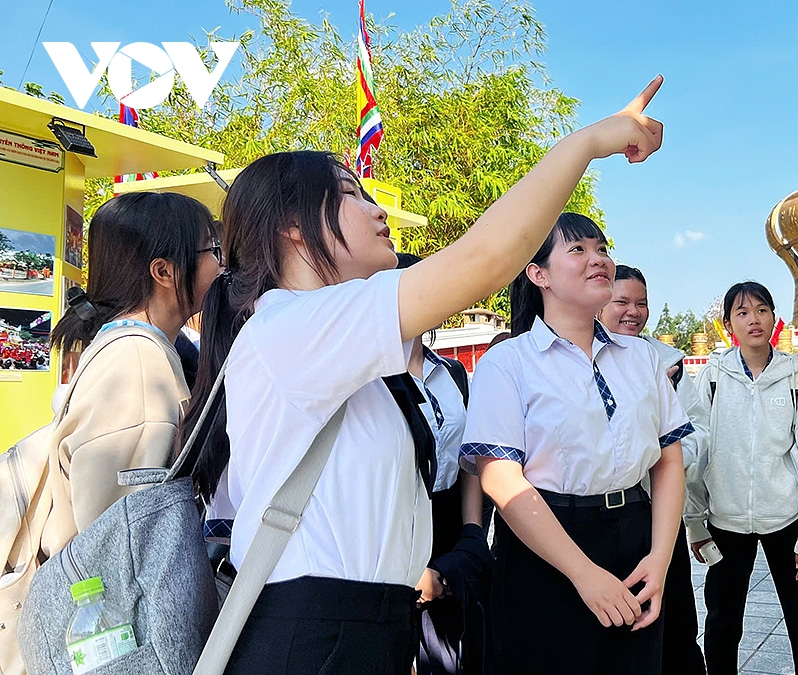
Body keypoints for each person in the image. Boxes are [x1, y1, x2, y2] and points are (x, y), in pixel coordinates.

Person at [183, 77, 665, 673]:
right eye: (352, 194)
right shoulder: (291, 326)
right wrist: (586, 143)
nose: (377, 209)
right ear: (295, 228)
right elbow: (484, 260)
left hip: (363, 626)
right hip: (318, 635)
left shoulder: (329, 345)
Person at [462, 213, 690, 675]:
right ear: (538, 274)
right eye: (578, 250)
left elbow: (668, 461)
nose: (598, 260)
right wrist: (584, 575)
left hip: (634, 539)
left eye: (601, 249)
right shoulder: (508, 363)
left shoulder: (642, 355)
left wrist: (660, 559)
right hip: (543, 546)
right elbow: (500, 479)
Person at [45, 191, 222, 549]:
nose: (222, 265)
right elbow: (116, 542)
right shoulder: (138, 363)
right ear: (164, 271)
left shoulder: (136, 347)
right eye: (212, 250)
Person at [686, 281, 798, 675]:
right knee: (722, 625)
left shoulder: (795, 376)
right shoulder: (714, 376)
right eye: (742, 312)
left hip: (785, 520)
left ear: (774, 316)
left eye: (761, 310)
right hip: (726, 521)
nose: (754, 319)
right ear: (728, 324)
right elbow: (697, 451)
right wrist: (695, 522)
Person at [598, 264, 708, 674]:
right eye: (621, 301)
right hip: (604, 518)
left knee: (675, 626)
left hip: (659, 514)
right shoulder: (578, 358)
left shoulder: (668, 364)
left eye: (641, 303)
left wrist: (664, 442)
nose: (633, 312)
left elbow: (700, 435)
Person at [395, 253, 490, 675]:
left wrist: (472, 533)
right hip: (400, 527)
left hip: (453, 522)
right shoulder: (371, 378)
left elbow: (468, 456)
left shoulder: (451, 371)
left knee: (456, 651)